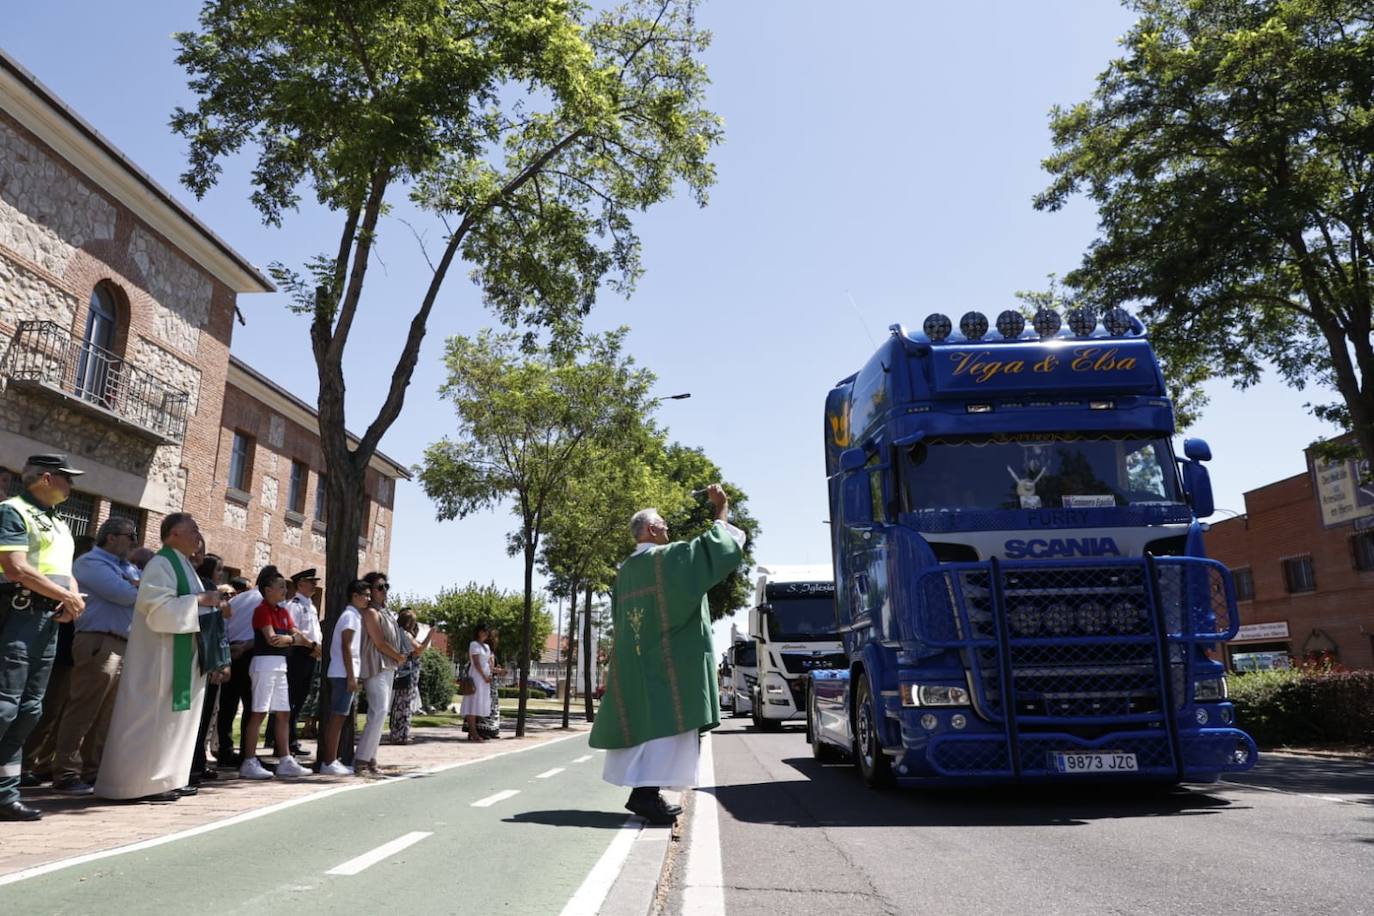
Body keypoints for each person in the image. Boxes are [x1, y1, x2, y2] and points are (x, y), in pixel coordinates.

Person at [589, 484, 745, 825]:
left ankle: (646, 793)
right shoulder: (666, 559)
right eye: (663, 524)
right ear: (651, 529)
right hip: (670, 662)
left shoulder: (625, 572)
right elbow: (714, 548)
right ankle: (646, 796)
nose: (668, 529)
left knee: (644, 727)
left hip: (636, 663)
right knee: (669, 726)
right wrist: (721, 508)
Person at [95, 513, 222, 802]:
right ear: (173, 534)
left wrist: (209, 607)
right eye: (193, 530)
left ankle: (167, 778)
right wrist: (200, 601)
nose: (198, 536)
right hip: (159, 658)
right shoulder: (161, 563)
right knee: (150, 718)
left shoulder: (183, 566)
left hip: (183, 654)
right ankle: (136, 784)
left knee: (175, 720)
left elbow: (189, 607)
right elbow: (156, 607)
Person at [0, 455, 86, 821]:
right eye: (67, 479)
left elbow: (64, 572)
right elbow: (15, 567)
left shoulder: (59, 523)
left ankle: (5, 795)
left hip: (46, 621)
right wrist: (64, 596)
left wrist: (73, 597)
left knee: (29, 709)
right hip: (15, 615)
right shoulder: (13, 511)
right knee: (4, 705)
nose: (72, 486)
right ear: (46, 478)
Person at [48, 518, 140, 795]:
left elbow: (143, 589)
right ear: (110, 537)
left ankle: (91, 770)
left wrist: (136, 583)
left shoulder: (127, 566)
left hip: (122, 643)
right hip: (98, 640)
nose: (133, 542)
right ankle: (65, 771)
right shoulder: (91, 562)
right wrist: (137, 585)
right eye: (129, 536)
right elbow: (125, 594)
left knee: (105, 714)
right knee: (84, 708)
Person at [238, 570, 310, 780]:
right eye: (280, 587)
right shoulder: (262, 610)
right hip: (265, 664)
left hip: (280, 665)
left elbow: (296, 633)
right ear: (268, 590)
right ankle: (249, 761)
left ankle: (286, 759)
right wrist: (292, 639)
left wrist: (291, 638)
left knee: (283, 713)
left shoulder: (282, 611)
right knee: (259, 712)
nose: (285, 591)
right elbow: (272, 638)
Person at [217, 566, 278, 767]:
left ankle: (225, 751)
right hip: (252, 653)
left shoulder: (238, 599)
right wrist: (245, 646)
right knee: (252, 706)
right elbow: (266, 633)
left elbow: (224, 624)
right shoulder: (267, 604)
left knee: (227, 706)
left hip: (232, 652)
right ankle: (247, 752)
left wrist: (230, 647)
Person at [356, 571, 406, 776]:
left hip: (388, 667)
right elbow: (378, 641)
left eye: (386, 587)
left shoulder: (386, 612)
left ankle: (371, 757)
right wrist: (398, 656)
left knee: (380, 713)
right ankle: (361, 759)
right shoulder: (370, 613)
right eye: (379, 587)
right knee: (378, 711)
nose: (384, 591)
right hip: (375, 666)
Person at [189, 549, 231, 786]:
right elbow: (211, 629)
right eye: (218, 570)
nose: (221, 574)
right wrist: (219, 661)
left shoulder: (213, 593)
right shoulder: (206, 590)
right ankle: (194, 765)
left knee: (206, 717)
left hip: (211, 659)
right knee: (201, 716)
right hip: (206, 660)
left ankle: (197, 763)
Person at [318, 580, 369, 776]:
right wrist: (350, 676)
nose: (367, 599)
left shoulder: (354, 616)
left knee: (340, 717)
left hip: (343, 671)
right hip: (342, 672)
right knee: (337, 717)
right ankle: (329, 761)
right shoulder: (350, 617)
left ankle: (332, 759)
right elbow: (346, 646)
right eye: (364, 595)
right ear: (354, 596)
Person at [284, 569, 322, 758]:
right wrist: (313, 645)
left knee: (300, 699)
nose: (314, 584)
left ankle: (291, 740)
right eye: (310, 581)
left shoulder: (311, 605)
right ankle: (286, 742)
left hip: (311, 654)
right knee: (291, 699)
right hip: (298, 653)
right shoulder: (295, 605)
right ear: (300, 585)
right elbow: (294, 631)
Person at [388, 610, 434, 745]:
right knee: (405, 704)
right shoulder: (405, 633)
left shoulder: (398, 632)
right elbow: (419, 649)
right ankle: (401, 734)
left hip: (402, 671)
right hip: (407, 672)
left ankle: (397, 733)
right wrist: (430, 634)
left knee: (399, 703)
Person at [460, 623, 495, 742]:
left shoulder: (486, 646)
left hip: (485, 677)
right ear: (479, 632)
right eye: (484, 631)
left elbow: (488, 663)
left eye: (487, 631)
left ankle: (475, 730)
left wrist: (491, 673)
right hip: (476, 676)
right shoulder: (474, 644)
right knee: (472, 703)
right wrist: (484, 675)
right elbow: (476, 662)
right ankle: (473, 732)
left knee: (480, 703)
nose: (486, 633)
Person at [477, 627, 505, 740]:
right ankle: (486, 730)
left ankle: (488, 730)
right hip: (489, 682)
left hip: (489, 681)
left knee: (491, 706)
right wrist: (501, 671)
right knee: (490, 706)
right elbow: (490, 668)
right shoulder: (489, 653)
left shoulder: (486, 651)